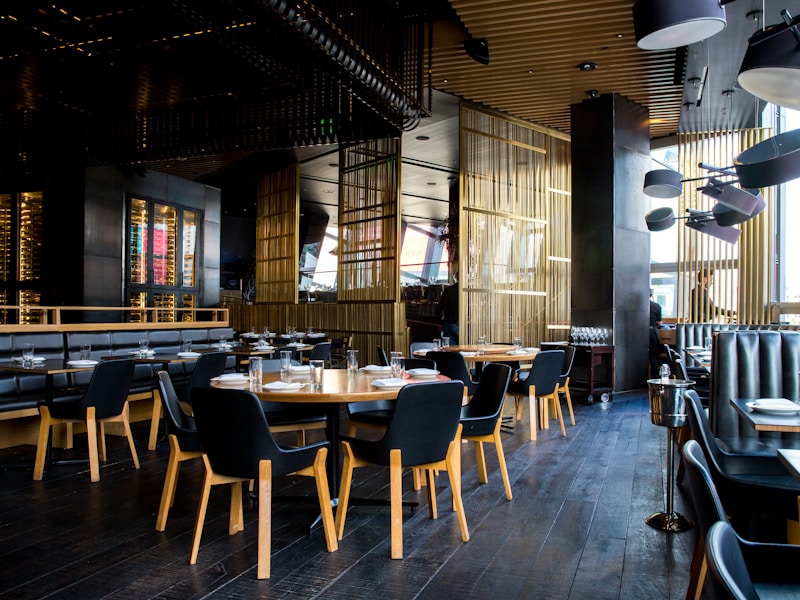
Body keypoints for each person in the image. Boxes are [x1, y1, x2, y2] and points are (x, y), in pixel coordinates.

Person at [438, 277, 459, 345]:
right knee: (464, 349)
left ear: (455, 278)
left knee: (449, 350)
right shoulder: (465, 291)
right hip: (459, 324)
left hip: (448, 324)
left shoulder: (447, 290)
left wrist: (440, 323)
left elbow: (439, 308)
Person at [649, 290, 662, 378]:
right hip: (652, 332)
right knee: (653, 356)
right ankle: (654, 378)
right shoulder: (656, 306)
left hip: (638, 333)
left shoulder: (637, 307)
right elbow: (659, 323)